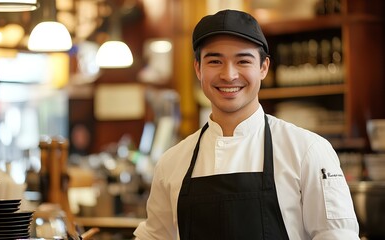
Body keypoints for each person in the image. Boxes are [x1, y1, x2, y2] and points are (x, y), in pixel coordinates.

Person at [133, 9, 359, 240]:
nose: (229, 75)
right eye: (215, 61)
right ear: (198, 69)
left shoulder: (307, 151)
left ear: (263, 67)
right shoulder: (171, 163)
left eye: (243, 60)